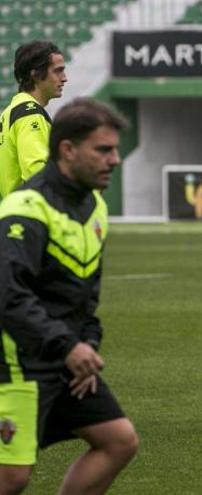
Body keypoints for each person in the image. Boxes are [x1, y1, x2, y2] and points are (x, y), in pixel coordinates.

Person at [0, 98, 137, 495]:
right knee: (12, 478)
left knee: (118, 441)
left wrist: (86, 344)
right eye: (103, 150)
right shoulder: (26, 208)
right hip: (17, 362)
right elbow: (8, 295)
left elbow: (83, 299)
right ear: (67, 150)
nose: (115, 160)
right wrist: (67, 347)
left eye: (116, 149)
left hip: (62, 358)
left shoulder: (93, 208)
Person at [0, 40, 67, 198]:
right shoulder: (29, 114)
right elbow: (35, 172)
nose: (64, 78)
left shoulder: (11, 111)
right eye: (58, 71)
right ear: (35, 74)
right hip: (25, 218)